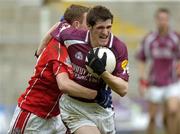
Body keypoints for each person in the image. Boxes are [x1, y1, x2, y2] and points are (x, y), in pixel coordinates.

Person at [8, 5, 100, 134]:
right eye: (88, 23)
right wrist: (93, 94)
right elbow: (64, 84)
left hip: (55, 117)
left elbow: (59, 24)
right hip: (33, 116)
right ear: (76, 25)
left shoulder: (73, 43)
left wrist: (39, 51)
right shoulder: (60, 46)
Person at [50, 5, 129, 134]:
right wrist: (39, 49)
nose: (105, 32)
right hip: (75, 108)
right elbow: (58, 28)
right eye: (100, 28)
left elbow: (123, 89)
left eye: (108, 27)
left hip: (103, 110)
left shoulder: (118, 47)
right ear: (89, 27)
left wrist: (102, 72)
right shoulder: (71, 37)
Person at [136, 8, 180, 134]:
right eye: (160, 19)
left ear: (168, 20)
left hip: (172, 82)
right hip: (154, 83)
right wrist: (142, 80)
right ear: (156, 20)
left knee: (173, 111)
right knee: (152, 118)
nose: (163, 22)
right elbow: (141, 59)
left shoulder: (175, 38)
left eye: (165, 19)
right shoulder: (149, 39)